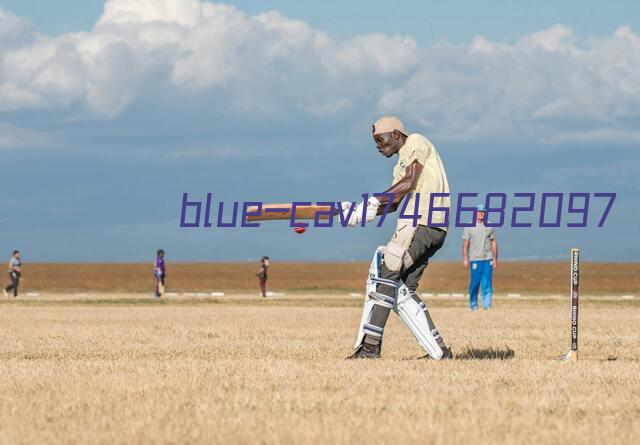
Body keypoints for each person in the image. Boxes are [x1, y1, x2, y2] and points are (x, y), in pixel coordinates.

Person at [347, 116, 453, 360]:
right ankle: (440, 353)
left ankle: (370, 347)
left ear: (396, 134)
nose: (378, 146)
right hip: (434, 227)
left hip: (421, 222)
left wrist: (373, 200)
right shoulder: (400, 166)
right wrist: (359, 211)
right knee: (401, 290)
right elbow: (393, 203)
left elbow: (409, 182)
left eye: (380, 140)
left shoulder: (415, 141)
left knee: (385, 275)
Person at [462, 204, 498, 310]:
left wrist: (495, 258)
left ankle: (487, 305)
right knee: (475, 283)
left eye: (483, 212)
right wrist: (465, 258)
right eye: (479, 211)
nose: (481, 214)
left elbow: (494, 242)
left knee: (487, 282)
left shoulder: (489, 226)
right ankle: (473, 304)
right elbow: (465, 244)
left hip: (488, 258)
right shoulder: (469, 226)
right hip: (475, 259)